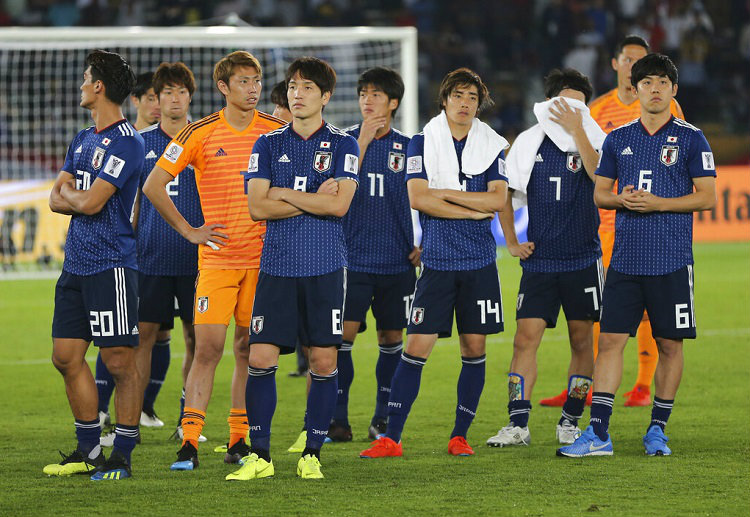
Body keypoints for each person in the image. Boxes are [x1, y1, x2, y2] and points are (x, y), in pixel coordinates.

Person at [557, 53, 716, 458]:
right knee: (609, 343)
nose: (655, 89)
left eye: (663, 82)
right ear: (636, 88)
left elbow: (707, 197)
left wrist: (658, 203)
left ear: (673, 90)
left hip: (671, 260)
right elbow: (600, 193)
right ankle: (599, 433)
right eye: (647, 83)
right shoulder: (619, 138)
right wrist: (622, 199)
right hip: (625, 262)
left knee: (670, 345)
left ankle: (657, 430)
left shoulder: (692, 137)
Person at [142, 51, 285, 470]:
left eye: (256, 81)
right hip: (218, 262)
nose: (253, 88)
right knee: (207, 348)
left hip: (264, 262)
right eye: (243, 81)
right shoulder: (199, 133)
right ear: (223, 87)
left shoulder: (276, 132)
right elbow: (154, 184)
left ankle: (239, 439)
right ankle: (190, 441)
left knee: (247, 348)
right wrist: (189, 230)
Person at [360, 68, 508, 459]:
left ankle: (460, 435)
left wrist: (446, 198)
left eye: (472, 97)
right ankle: (392, 437)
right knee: (416, 347)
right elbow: (418, 198)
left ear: (480, 103)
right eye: (458, 95)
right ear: (444, 100)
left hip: (479, 263)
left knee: (474, 348)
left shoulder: (491, 145)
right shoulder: (422, 143)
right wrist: (469, 207)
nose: (465, 103)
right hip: (438, 263)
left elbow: (497, 201)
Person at [226, 56, 359, 481]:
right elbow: (255, 206)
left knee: (323, 360)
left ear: (325, 96)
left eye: (306, 88)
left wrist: (282, 194)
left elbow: (339, 205)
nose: (296, 95)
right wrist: (306, 196)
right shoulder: (267, 143)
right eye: (292, 88)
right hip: (277, 269)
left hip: (324, 268)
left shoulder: (344, 145)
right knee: (259, 357)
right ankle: (260, 455)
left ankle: (312, 453)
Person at [540, 35, 685, 408]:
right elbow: (593, 168)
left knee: (653, 312)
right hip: (603, 224)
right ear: (617, 65)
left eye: (642, 60)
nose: (635, 66)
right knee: (602, 311)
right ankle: (586, 386)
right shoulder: (598, 109)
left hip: (652, 226)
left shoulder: (670, 110)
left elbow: (677, 159)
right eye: (629, 60)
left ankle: (642, 383)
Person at [485, 69, 606, 449]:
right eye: (565, 104)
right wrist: (511, 241)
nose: (571, 111)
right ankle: (518, 424)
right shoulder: (528, 142)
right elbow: (504, 193)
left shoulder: (596, 138)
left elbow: (601, 178)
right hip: (539, 262)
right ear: (550, 105)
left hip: (583, 259)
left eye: (578, 106)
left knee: (582, 340)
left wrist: (579, 129)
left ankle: (570, 420)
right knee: (525, 340)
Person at [45, 49, 144, 480]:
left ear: (99, 86)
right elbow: (55, 198)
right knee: (65, 357)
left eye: (86, 77)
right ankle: (88, 452)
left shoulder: (128, 141)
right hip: (77, 264)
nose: (82, 84)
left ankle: (121, 452)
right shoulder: (82, 138)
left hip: (111, 265)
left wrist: (73, 199)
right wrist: (73, 200)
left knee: (120, 362)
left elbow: (89, 200)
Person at [326, 66, 419, 442]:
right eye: (364, 93)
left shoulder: (410, 145)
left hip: (397, 261)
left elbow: (424, 193)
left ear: (393, 102)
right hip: (351, 260)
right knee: (340, 339)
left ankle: (382, 417)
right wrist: (361, 143)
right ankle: (338, 418)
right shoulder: (342, 140)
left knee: (391, 338)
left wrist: (424, 239)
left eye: (376, 94)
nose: (367, 99)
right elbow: (333, 189)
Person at [133, 62, 205, 444]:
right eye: (167, 93)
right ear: (156, 100)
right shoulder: (140, 143)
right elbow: (133, 207)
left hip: (199, 262)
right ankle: (133, 417)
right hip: (151, 259)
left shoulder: (207, 139)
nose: (175, 100)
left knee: (197, 340)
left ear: (190, 97)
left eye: (181, 92)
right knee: (142, 337)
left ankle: (186, 421)